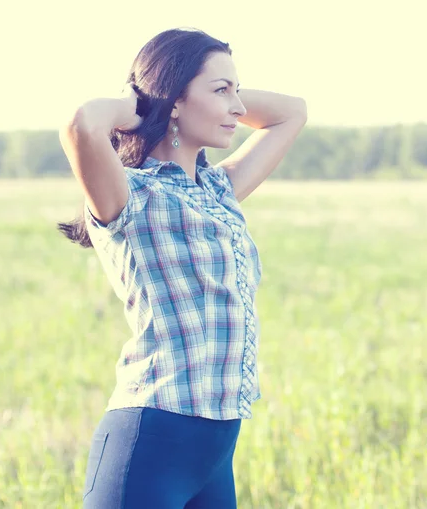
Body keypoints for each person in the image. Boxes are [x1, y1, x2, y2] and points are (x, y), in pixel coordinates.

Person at [57, 27, 308, 508]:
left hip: (214, 454)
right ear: (174, 100)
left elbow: (291, 112)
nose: (238, 107)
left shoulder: (217, 190)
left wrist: (215, 92)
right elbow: (81, 125)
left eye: (237, 90)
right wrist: (143, 103)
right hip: (148, 442)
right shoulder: (130, 196)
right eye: (221, 91)